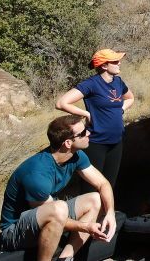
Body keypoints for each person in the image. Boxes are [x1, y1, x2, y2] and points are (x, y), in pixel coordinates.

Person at [0, 114, 117, 261]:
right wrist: (87, 227)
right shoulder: (37, 173)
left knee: (96, 199)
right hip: (15, 232)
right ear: (68, 143)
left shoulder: (77, 156)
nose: (89, 133)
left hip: (48, 215)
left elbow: (102, 183)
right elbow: (52, 214)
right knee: (58, 208)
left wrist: (110, 213)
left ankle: (66, 258)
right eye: (82, 133)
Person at [56, 49, 134, 192]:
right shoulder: (91, 84)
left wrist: (120, 110)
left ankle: (105, 213)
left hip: (116, 142)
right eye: (115, 61)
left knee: (109, 186)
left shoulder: (118, 82)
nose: (119, 63)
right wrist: (86, 113)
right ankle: (89, 213)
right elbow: (62, 103)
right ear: (104, 66)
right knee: (91, 189)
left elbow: (130, 98)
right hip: (96, 143)